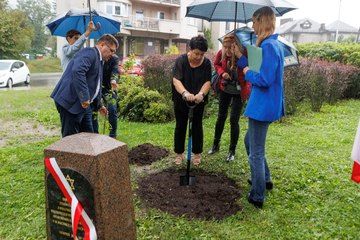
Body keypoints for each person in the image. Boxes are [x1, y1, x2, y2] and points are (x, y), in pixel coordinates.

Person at [234, 6, 285, 208]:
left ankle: (257, 195)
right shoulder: (269, 44)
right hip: (264, 105)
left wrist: (246, 71)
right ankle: (264, 179)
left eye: (254, 22)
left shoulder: (270, 47)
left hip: (263, 107)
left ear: (262, 21)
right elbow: (257, 66)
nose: (253, 26)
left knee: (255, 151)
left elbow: (263, 79)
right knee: (250, 143)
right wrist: (240, 57)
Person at [51, 34, 119, 137]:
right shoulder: (90, 52)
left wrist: (99, 105)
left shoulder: (99, 60)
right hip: (70, 101)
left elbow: (94, 85)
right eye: (112, 50)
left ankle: (84, 152)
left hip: (84, 105)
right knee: (70, 138)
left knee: (88, 136)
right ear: (102, 44)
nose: (113, 54)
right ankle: (69, 153)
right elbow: (78, 71)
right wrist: (84, 97)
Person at [208, 35, 251, 162]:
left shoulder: (243, 54)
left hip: (239, 92)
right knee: (221, 116)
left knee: (233, 120)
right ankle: (216, 145)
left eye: (229, 47)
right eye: (225, 47)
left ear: (235, 46)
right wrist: (222, 73)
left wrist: (237, 59)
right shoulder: (221, 53)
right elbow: (216, 64)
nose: (227, 50)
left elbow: (249, 67)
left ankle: (232, 151)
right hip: (225, 89)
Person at [172, 35, 211, 166]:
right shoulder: (181, 61)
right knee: (180, 126)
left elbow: (207, 81)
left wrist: (201, 94)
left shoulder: (206, 63)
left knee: (197, 126)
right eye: (196, 53)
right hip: (181, 99)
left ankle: (197, 154)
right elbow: (176, 80)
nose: (199, 56)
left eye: (202, 54)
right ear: (190, 49)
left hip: (198, 101)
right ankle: (179, 153)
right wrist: (185, 93)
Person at [92, 54, 120, 138]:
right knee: (93, 110)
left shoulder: (114, 58)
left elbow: (115, 71)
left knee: (112, 109)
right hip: (95, 88)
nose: (111, 53)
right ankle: (94, 135)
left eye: (113, 51)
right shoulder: (95, 57)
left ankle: (112, 136)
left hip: (108, 88)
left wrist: (114, 80)